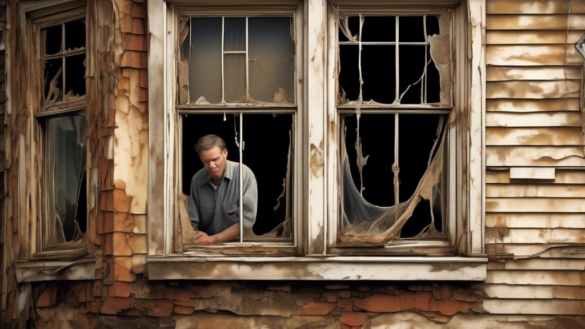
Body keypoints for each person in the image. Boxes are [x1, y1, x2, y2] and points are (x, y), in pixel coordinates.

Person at [187, 134, 258, 244]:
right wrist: (195, 234)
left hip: (239, 246)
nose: (211, 165)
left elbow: (246, 221)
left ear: (225, 153)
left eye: (215, 159)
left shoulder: (244, 175)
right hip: (205, 248)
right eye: (206, 161)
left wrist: (214, 239)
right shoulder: (197, 180)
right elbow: (191, 222)